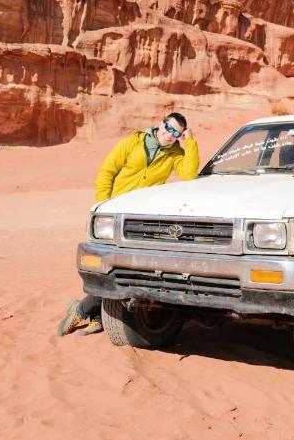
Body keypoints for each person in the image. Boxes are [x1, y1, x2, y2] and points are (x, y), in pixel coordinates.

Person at [57, 112, 199, 337]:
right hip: (114, 214)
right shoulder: (132, 143)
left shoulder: (175, 154)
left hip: (140, 220)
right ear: (161, 123)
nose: (170, 136)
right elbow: (107, 172)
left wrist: (189, 142)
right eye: (168, 128)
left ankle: (91, 314)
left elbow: (189, 174)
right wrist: (102, 207)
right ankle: (86, 312)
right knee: (107, 265)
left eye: (177, 133)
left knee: (125, 269)